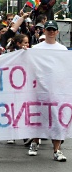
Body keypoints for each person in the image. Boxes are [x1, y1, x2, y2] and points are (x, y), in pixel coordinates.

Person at [28, 20, 67, 162]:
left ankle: (57, 150)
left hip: (57, 91)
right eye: (48, 29)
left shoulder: (63, 50)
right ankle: (34, 142)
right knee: (37, 117)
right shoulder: (36, 49)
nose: (51, 32)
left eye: (53, 29)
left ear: (57, 32)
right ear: (44, 31)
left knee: (56, 119)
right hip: (39, 89)